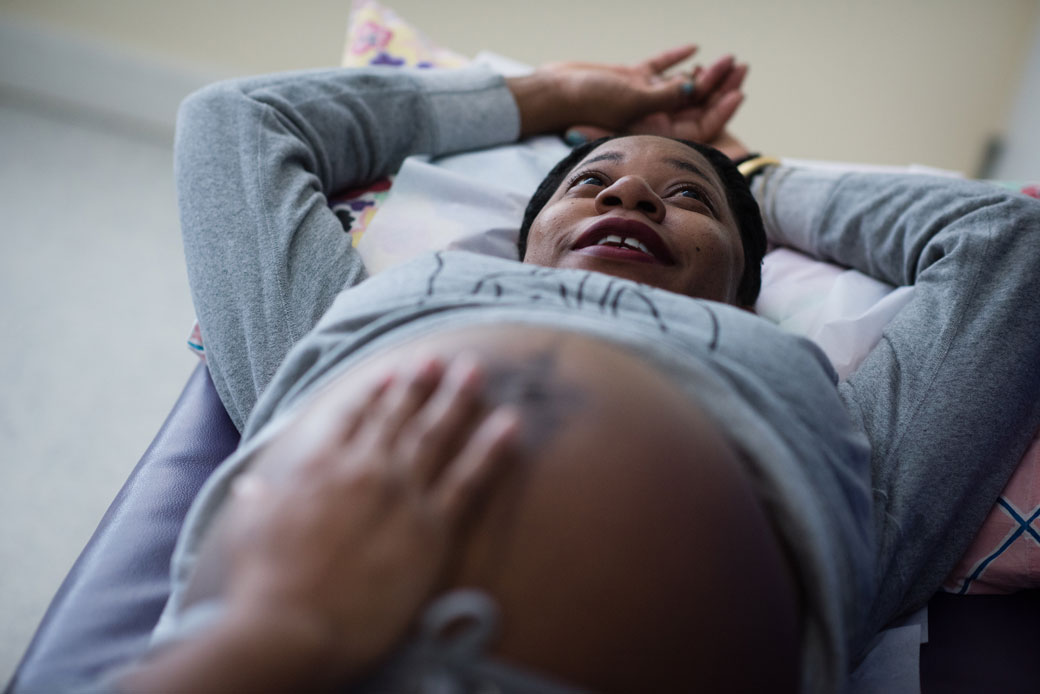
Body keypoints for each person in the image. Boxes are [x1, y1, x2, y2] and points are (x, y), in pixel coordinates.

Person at [117, 46, 1040, 694]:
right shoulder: (365, 318)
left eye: (687, 200)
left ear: (746, 286)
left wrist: (751, 172)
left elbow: (1007, 240)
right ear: (522, 250)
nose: (631, 191)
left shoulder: (814, 414)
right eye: (589, 184)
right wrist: (550, 95)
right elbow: (238, 120)